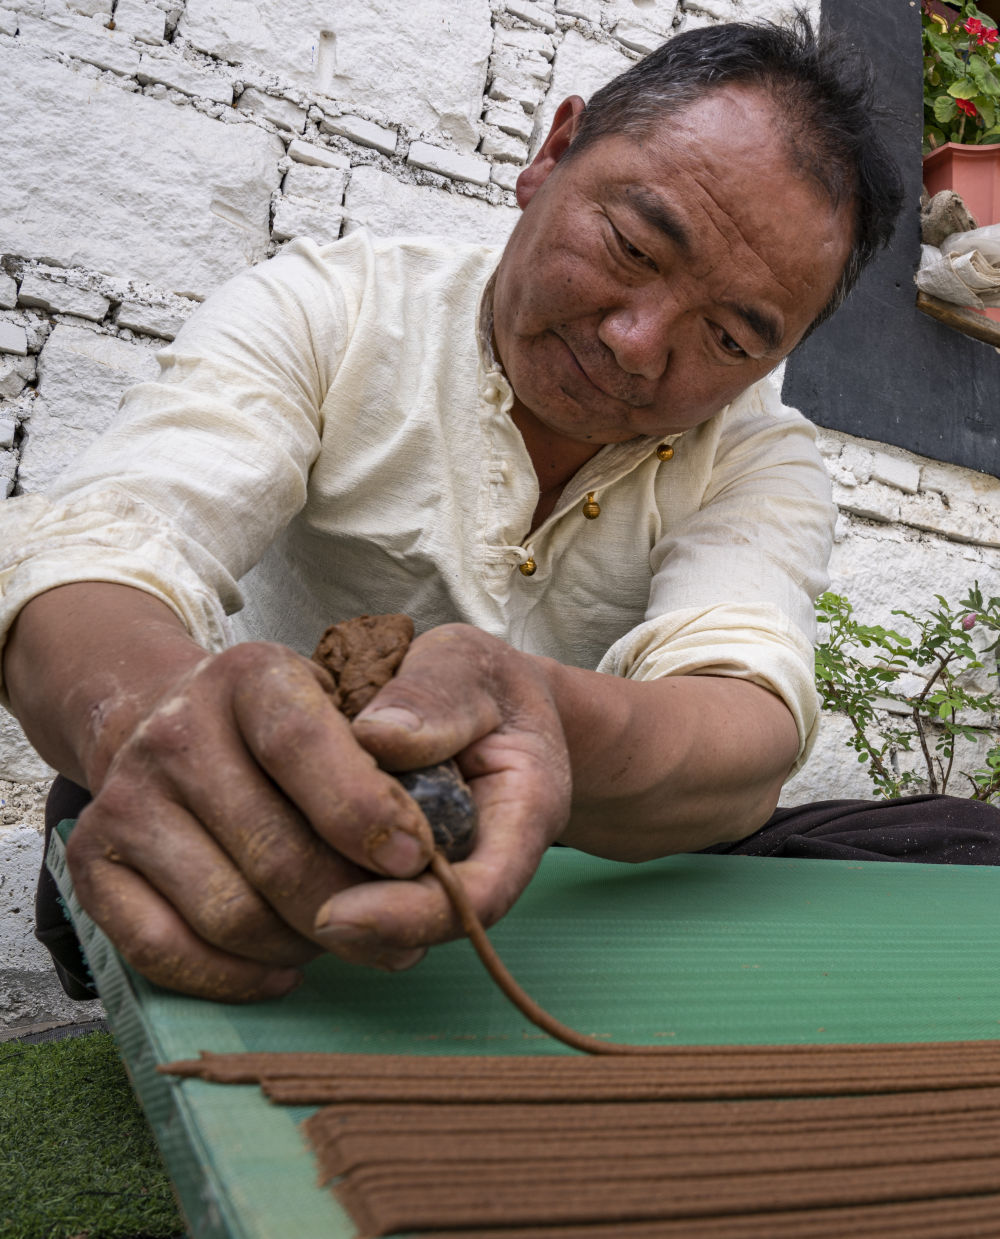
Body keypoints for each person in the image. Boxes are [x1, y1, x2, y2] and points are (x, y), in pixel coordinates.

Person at [2, 14, 994, 1007]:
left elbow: (743, 725)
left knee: (959, 844)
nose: (639, 344)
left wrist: (541, 718)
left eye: (731, 340)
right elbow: (101, 553)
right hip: (279, 804)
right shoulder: (333, 309)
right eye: (633, 246)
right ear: (551, 153)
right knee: (120, 788)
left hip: (576, 858)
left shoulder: (755, 454)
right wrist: (163, 720)